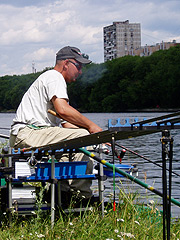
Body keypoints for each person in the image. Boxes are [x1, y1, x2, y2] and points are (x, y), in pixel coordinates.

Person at [10, 46, 102, 203]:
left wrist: (96, 133)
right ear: (66, 63)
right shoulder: (55, 77)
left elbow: (67, 125)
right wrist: (92, 128)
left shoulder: (53, 81)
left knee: (73, 146)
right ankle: (81, 196)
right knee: (84, 138)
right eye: (78, 66)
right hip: (29, 133)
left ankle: (62, 194)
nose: (80, 72)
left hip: (31, 134)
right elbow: (63, 110)